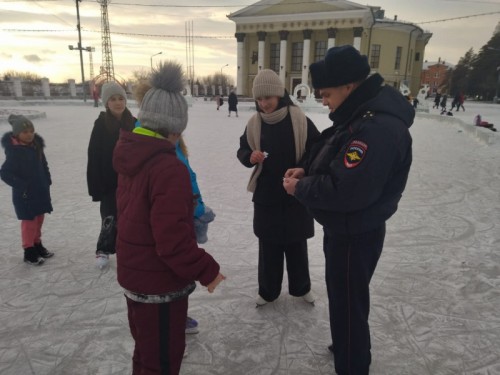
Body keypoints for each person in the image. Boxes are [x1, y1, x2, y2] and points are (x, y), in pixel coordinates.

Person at [283, 45, 414, 374]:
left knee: (348, 304)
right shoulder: (359, 116)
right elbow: (336, 162)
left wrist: (301, 188)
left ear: (348, 86)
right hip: (349, 228)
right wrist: (307, 172)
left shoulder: (374, 128)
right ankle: (348, 342)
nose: (323, 101)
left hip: (355, 232)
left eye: (326, 94)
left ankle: (353, 361)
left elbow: (346, 190)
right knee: (348, 300)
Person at [113, 61, 225, 375]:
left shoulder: (130, 154)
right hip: (159, 286)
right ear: (173, 128)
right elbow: (172, 241)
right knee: (161, 362)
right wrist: (208, 270)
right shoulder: (168, 168)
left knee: (145, 356)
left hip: (135, 277)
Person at [133, 79, 217, 335]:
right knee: (170, 273)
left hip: (178, 214)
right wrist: (208, 271)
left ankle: (176, 321)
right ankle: (170, 331)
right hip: (157, 253)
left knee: (172, 278)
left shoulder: (161, 145)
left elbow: (187, 174)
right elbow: (171, 239)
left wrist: (197, 205)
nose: (179, 134)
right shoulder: (158, 160)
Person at [237, 69, 320, 307]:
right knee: (269, 245)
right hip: (266, 196)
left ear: (279, 95)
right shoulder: (254, 123)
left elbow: (316, 150)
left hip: (296, 193)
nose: (264, 104)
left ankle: (302, 287)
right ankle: (268, 291)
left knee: (296, 244)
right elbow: (242, 149)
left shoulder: (299, 119)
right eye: (260, 99)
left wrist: (303, 168)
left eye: (268, 98)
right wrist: (249, 156)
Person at [87, 81, 136, 269]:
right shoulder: (100, 125)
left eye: (121, 98)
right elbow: (93, 155)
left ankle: (128, 248)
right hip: (108, 182)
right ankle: (103, 249)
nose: (118, 103)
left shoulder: (133, 122)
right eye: (113, 99)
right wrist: (95, 186)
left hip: (131, 181)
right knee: (109, 216)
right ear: (106, 103)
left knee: (130, 216)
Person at [1, 115, 54, 265]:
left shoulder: (36, 146)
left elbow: (44, 165)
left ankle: (37, 244)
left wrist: (47, 179)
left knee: (39, 219)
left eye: (31, 131)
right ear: (17, 134)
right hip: (25, 195)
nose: (29, 134)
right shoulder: (15, 152)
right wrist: (22, 186)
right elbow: (5, 173)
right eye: (25, 132)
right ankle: (28, 250)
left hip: (40, 190)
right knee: (29, 222)